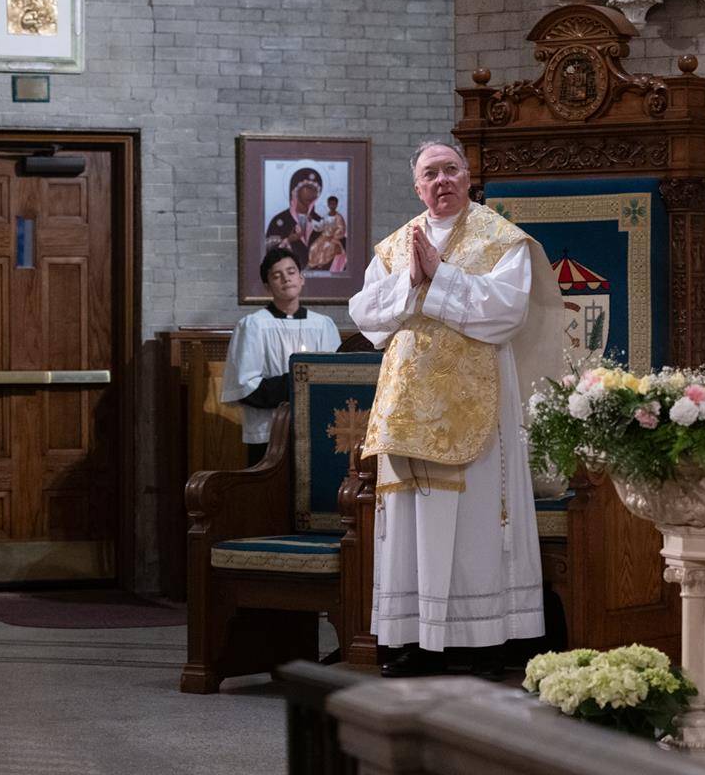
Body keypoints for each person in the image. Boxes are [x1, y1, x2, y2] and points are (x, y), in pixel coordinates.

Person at [348, 140, 563, 679]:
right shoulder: (395, 246)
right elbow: (365, 315)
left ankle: (484, 642)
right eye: (430, 173)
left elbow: (506, 311)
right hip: (406, 407)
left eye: (451, 169)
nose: (441, 180)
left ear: (468, 178)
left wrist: (440, 275)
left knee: (475, 521)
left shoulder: (501, 239)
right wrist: (411, 278)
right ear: (417, 186)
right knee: (410, 522)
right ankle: (416, 640)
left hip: (476, 404)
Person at [221, 247, 341, 465]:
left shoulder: (323, 325)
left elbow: (336, 377)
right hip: (269, 433)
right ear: (267, 286)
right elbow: (245, 387)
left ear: (301, 278)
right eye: (277, 275)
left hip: (316, 430)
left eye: (291, 272)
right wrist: (298, 383)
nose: (286, 279)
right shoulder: (253, 325)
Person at [264, 167, 324, 271]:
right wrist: (288, 240)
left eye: (315, 190)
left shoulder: (321, 221)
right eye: (308, 188)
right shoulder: (279, 221)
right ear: (296, 189)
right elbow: (267, 251)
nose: (312, 194)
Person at [307, 195, 348, 273]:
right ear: (328, 205)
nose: (332, 206)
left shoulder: (338, 217)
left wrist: (334, 236)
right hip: (323, 237)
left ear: (336, 205)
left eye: (334, 204)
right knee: (313, 247)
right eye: (330, 204)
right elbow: (320, 226)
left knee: (326, 248)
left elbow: (341, 228)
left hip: (333, 239)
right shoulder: (326, 216)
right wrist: (311, 220)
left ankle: (322, 266)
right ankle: (313, 265)